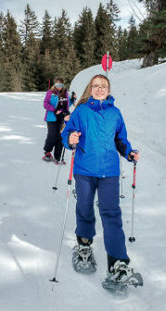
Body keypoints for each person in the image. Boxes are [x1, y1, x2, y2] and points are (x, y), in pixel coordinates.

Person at [61, 74, 142, 285]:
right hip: (85, 170)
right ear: (90, 88)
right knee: (85, 207)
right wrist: (70, 139)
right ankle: (84, 244)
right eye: (96, 86)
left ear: (108, 90)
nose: (99, 89)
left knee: (111, 213)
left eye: (103, 86)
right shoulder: (81, 111)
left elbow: (120, 140)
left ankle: (117, 263)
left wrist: (129, 152)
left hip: (110, 172)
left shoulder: (115, 113)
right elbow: (67, 133)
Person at [42, 77, 74, 164]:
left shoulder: (65, 93)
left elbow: (66, 105)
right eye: (57, 85)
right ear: (54, 84)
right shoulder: (51, 92)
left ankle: (58, 156)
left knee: (60, 136)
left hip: (62, 118)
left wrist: (72, 100)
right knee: (52, 135)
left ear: (63, 85)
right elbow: (45, 104)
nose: (58, 87)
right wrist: (54, 109)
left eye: (60, 85)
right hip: (51, 117)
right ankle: (47, 152)